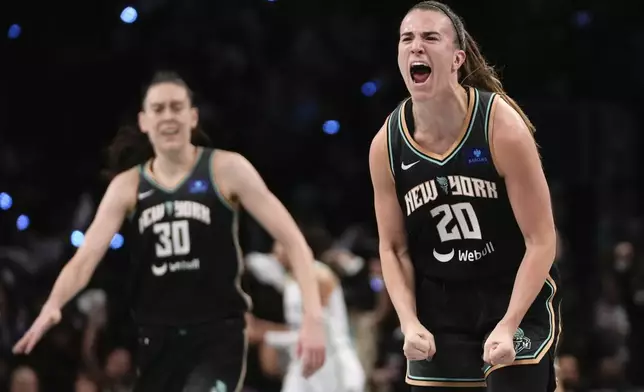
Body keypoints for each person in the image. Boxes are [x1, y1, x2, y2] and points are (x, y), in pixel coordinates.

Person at [12, 71, 326, 392]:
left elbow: (295, 243)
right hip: (157, 340)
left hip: (216, 336)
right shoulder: (128, 186)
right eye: (158, 109)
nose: (168, 117)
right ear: (144, 121)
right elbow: (84, 259)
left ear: (192, 117)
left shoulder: (226, 169)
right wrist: (53, 304)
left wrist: (313, 318)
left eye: (176, 107)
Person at [368, 2, 561, 391]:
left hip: (512, 294)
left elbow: (541, 240)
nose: (415, 47)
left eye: (429, 37)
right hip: (440, 306)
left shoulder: (501, 126)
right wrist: (409, 322)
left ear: (457, 59)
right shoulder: (386, 146)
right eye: (407, 39)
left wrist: (508, 325)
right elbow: (392, 248)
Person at [248, 242, 365, 392]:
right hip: (303, 363)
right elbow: (257, 264)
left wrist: (267, 335)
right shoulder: (290, 278)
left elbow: (318, 331)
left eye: (281, 244)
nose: (277, 251)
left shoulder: (318, 276)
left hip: (329, 363)